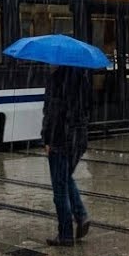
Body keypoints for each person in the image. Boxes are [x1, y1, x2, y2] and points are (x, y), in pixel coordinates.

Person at [41, 65, 93, 246]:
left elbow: (52, 113)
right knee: (65, 178)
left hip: (60, 139)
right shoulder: (81, 76)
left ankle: (65, 234)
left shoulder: (57, 80)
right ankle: (81, 215)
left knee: (59, 190)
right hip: (78, 138)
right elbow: (86, 107)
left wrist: (47, 139)